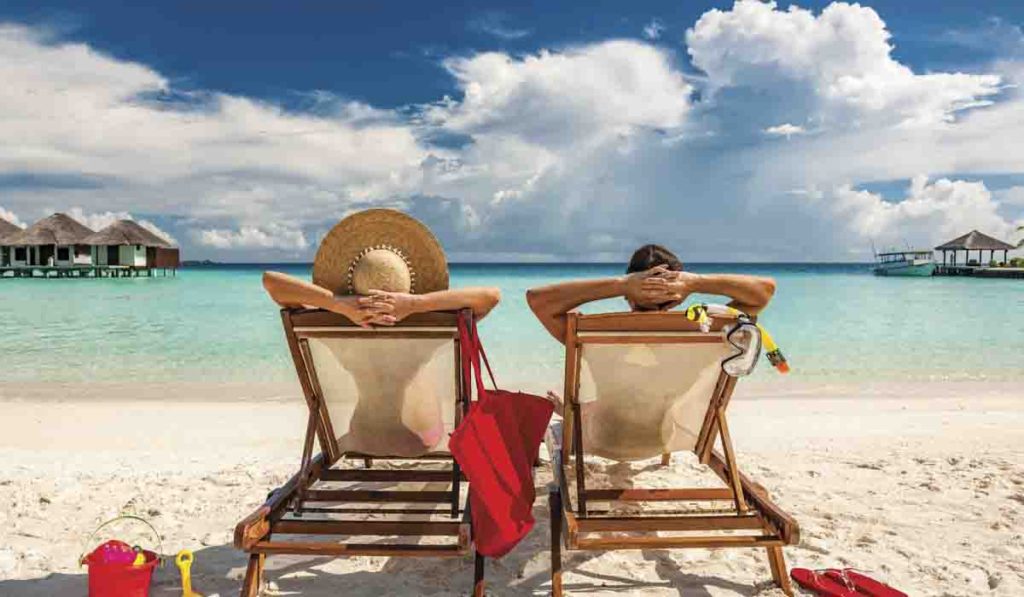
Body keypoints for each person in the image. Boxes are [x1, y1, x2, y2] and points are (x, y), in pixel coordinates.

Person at [262, 208, 501, 456]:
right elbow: (491, 297)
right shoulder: (430, 330)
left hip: (361, 436)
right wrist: (415, 304)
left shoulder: (335, 330)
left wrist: (340, 305)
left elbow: (272, 282)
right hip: (420, 442)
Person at [526, 243, 776, 342]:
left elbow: (537, 300)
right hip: (679, 432)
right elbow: (764, 292)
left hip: (604, 436)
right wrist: (695, 282)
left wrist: (622, 284)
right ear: (680, 296)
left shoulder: (592, 334)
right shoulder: (710, 330)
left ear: (628, 296)